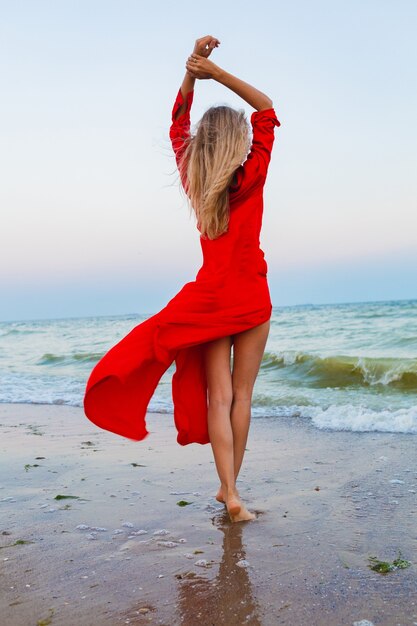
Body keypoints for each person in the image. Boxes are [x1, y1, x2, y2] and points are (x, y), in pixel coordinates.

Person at [83, 35, 281, 523]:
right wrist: (219, 74)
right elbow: (267, 109)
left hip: (211, 300)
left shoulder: (193, 176)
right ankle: (229, 487)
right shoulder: (252, 170)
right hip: (252, 295)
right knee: (241, 396)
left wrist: (193, 71)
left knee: (218, 396)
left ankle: (231, 493)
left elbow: (175, 121)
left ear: (201, 145)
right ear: (238, 143)